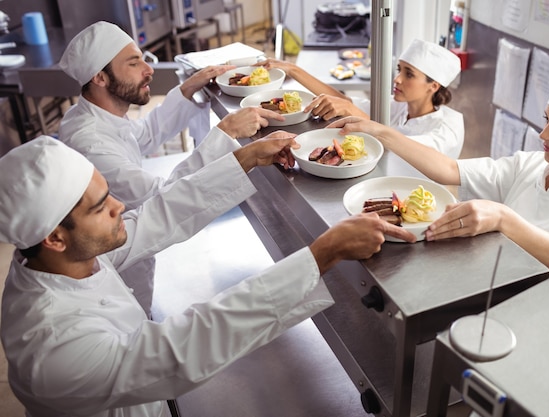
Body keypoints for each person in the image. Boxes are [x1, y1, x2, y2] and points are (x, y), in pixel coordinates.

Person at [0, 135, 415, 417]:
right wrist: (323, 253)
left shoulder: (62, 257)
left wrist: (246, 158)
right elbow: (186, 344)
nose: (119, 205)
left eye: (107, 192)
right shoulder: (49, 346)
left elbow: (156, 216)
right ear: (54, 237)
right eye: (100, 207)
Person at [58, 21, 286, 315]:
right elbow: (161, 196)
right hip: (117, 281)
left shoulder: (98, 116)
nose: (148, 69)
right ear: (100, 78)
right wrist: (226, 133)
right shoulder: (89, 142)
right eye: (133, 62)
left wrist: (188, 89)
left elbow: (142, 135)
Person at [328, 70, 549, 287]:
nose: (544, 134)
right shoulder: (530, 165)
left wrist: (501, 217)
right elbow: (448, 170)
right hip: (488, 288)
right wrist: (380, 132)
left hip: (545, 320)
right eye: (547, 120)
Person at [258, 38, 465, 158]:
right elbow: (344, 101)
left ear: (433, 86)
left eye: (408, 74)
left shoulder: (447, 130)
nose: (397, 79)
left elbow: (405, 148)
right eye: (399, 70)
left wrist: (354, 113)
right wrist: (293, 70)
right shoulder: (400, 108)